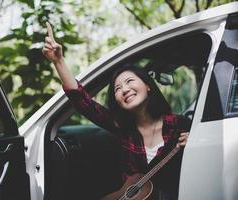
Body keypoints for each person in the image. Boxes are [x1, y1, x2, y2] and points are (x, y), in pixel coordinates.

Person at [42, 22, 190, 200]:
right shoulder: (123, 129)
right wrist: (58, 61)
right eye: (117, 88)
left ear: (148, 86)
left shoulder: (179, 125)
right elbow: (82, 102)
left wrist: (195, 140)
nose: (124, 89)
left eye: (130, 81)